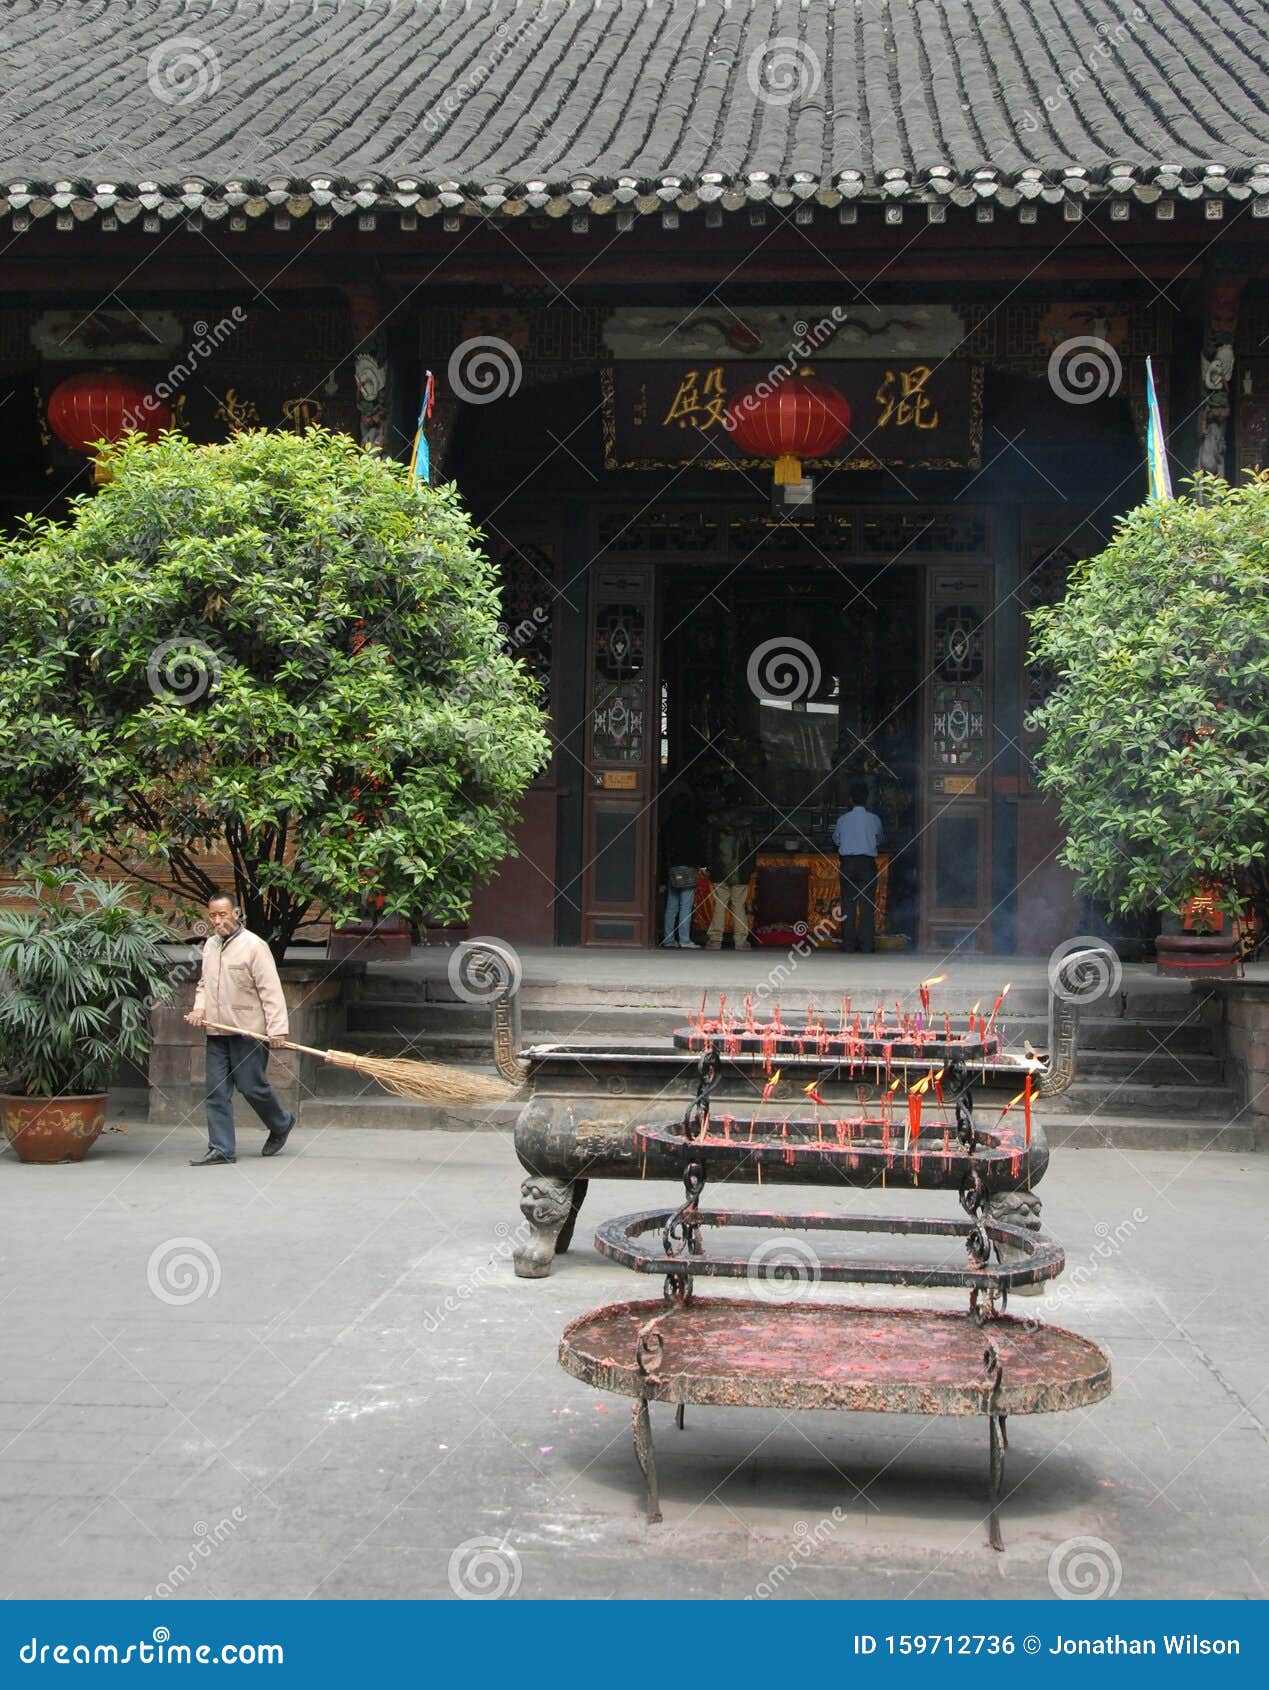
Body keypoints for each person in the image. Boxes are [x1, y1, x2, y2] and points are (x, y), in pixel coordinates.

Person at [184, 893, 295, 1164]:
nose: (218, 920)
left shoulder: (254, 946)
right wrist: (200, 1009)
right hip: (217, 1032)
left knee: (251, 1087)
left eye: (223, 914)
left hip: (248, 1031)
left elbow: (270, 989)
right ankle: (221, 1148)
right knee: (215, 1090)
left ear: (236, 913)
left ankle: (280, 1123)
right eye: (213, 915)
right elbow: (204, 985)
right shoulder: (210, 945)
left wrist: (277, 1029)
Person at [832, 780, 884, 953]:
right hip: (867, 865)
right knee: (867, 906)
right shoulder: (874, 819)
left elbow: (836, 840)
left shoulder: (842, 820)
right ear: (867, 800)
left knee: (848, 906)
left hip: (848, 864)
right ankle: (867, 945)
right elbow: (880, 839)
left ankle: (848, 945)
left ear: (851, 800)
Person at [705, 800, 756, 950]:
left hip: (719, 871)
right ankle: (740, 941)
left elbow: (709, 849)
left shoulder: (714, 826)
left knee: (720, 905)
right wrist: (750, 869)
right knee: (739, 905)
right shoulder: (746, 826)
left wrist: (710, 868)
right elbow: (752, 849)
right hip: (740, 872)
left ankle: (715, 940)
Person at [660, 791, 706, 948]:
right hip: (688, 867)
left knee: (671, 906)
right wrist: (702, 864)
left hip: (673, 867)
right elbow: (699, 846)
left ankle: (668, 939)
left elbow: (663, 848)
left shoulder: (668, 824)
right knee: (686, 905)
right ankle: (684, 940)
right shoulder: (693, 824)